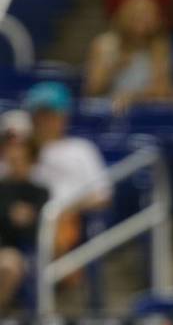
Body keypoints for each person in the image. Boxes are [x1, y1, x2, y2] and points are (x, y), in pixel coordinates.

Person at [24, 82, 111, 258]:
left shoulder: (81, 149)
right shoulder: (20, 152)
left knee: (54, 227)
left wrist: (67, 210)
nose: (45, 121)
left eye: (51, 115)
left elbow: (102, 196)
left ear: (63, 116)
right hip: (25, 218)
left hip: (67, 219)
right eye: (39, 115)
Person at [85, 0, 172, 113]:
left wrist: (131, 97)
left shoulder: (159, 47)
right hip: (106, 109)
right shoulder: (104, 44)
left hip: (145, 110)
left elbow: (162, 91)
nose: (142, 19)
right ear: (124, 15)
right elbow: (92, 90)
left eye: (147, 14)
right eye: (137, 14)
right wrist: (114, 68)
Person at [0, 122, 48, 313]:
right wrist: (10, 215)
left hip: (16, 251)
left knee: (9, 263)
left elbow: (35, 229)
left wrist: (18, 218)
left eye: (21, 150)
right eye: (11, 150)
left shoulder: (40, 191)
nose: (15, 155)